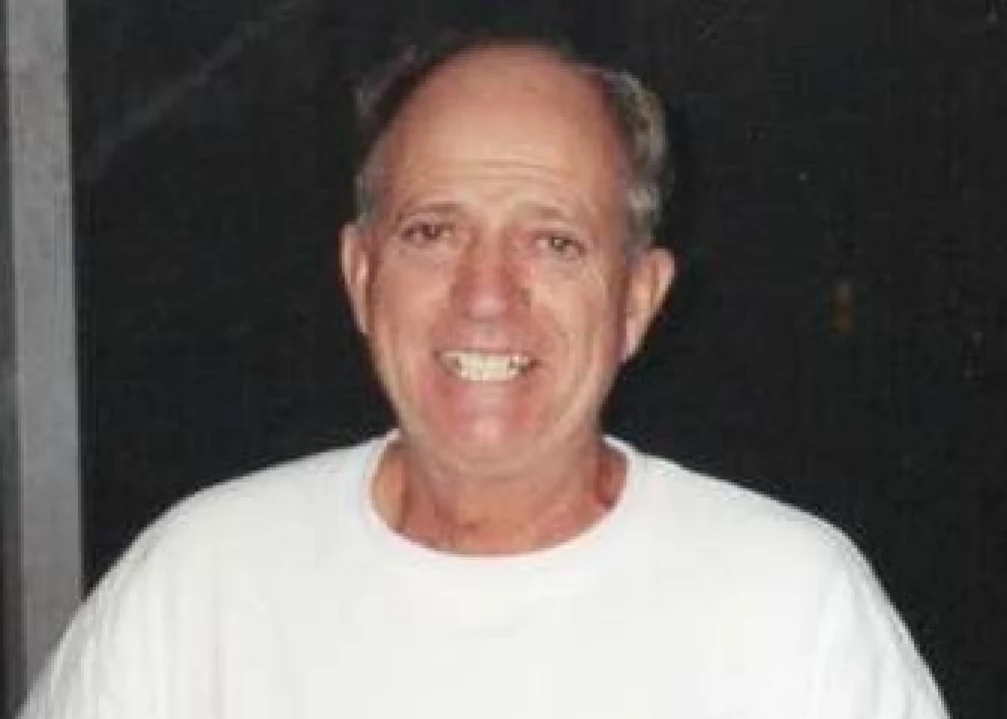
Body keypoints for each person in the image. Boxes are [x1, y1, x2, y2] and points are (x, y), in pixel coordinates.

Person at [21, 36, 948, 719]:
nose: (486, 295)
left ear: (637, 299)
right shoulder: (197, 587)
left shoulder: (793, 607)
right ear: (360, 274)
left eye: (553, 242)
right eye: (433, 232)